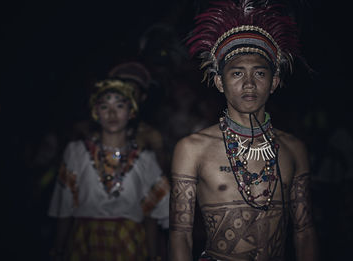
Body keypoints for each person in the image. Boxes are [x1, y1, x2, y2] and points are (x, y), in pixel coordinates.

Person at [169, 1, 319, 261]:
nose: (248, 84)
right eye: (237, 73)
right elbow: (180, 234)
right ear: (219, 82)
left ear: (274, 82)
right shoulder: (192, 149)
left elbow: (304, 232)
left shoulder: (293, 148)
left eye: (259, 73)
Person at [48, 79, 169, 261]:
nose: (112, 113)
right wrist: (58, 250)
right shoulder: (76, 152)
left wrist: (154, 257)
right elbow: (65, 208)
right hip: (85, 243)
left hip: (129, 244)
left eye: (120, 106)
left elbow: (151, 214)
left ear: (131, 112)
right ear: (96, 112)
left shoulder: (145, 160)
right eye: (104, 107)